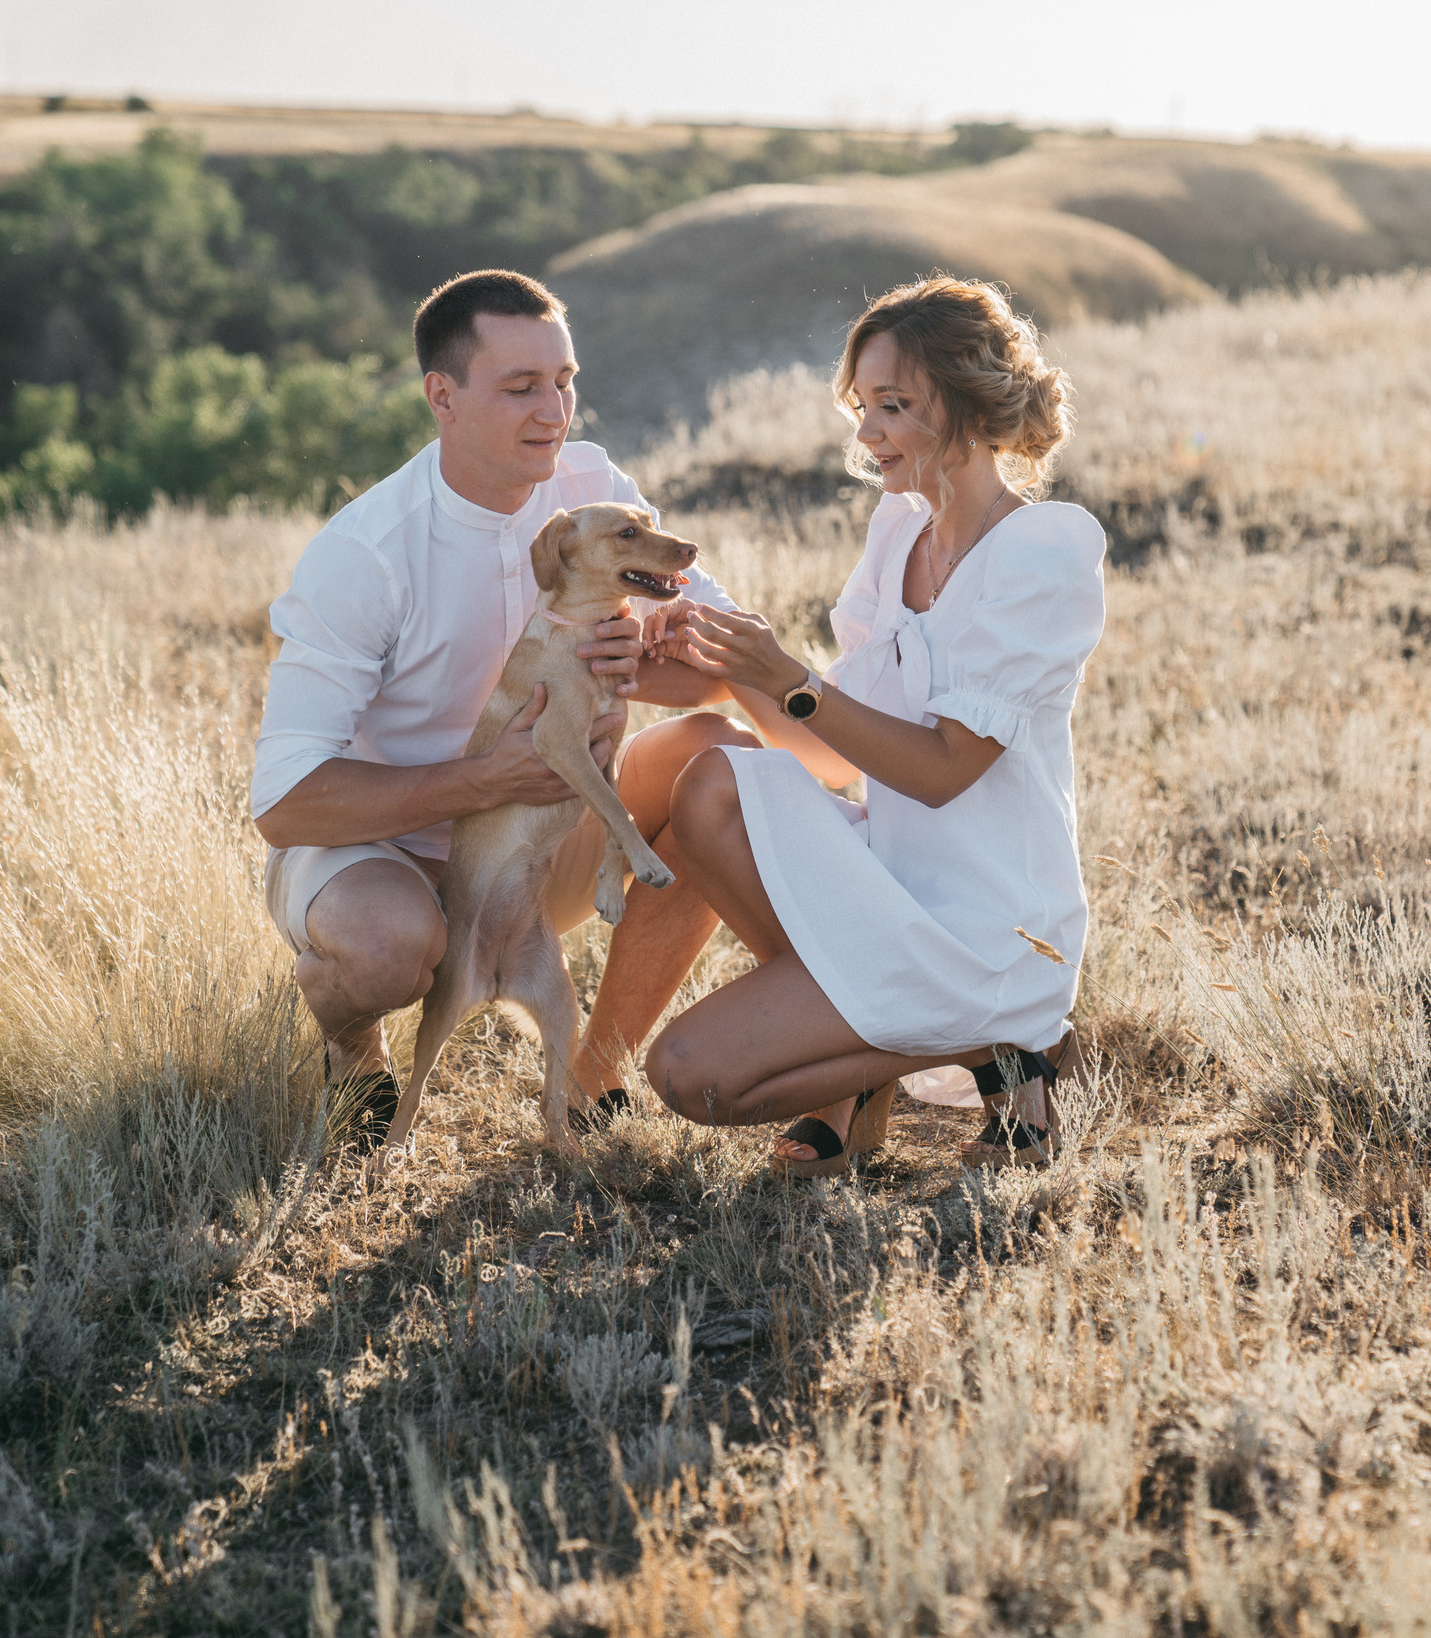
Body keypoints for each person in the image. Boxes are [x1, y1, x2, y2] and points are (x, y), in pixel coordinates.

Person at [250, 268, 820, 1142]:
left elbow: (710, 669)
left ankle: (592, 1079)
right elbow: (287, 806)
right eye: (521, 389)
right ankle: (355, 1049)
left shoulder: (590, 486)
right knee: (386, 950)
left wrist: (636, 659)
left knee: (724, 754)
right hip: (382, 855)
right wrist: (482, 780)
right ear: (443, 395)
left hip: (538, 836)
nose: (554, 412)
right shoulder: (366, 553)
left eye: (564, 383)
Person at [643, 276, 1107, 1173]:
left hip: (991, 930)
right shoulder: (896, 531)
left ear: (971, 406)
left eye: (893, 405)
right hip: (889, 894)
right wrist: (733, 669)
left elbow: (939, 770)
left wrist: (792, 676)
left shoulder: (1045, 550)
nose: (866, 433)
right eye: (862, 406)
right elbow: (825, 749)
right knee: (710, 783)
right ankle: (868, 1075)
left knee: (690, 1076)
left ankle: (1007, 1041)